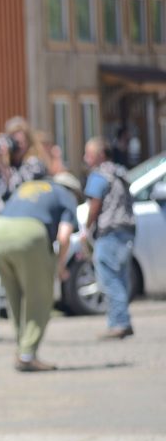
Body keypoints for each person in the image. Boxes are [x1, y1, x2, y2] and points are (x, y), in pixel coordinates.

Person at [0, 173, 81, 372]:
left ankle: (22, 349)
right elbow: (64, 238)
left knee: (15, 297)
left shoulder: (30, 187)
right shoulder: (66, 195)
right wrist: (59, 265)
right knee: (39, 297)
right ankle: (28, 354)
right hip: (29, 235)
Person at [82, 136, 137, 339]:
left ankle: (119, 323)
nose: (85, 158)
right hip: (128, 229)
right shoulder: (120, 172)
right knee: (121, 277)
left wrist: (86, 228)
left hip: (109, 231)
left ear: (99, 155)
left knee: (109, 278)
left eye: (88, 154)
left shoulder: (99, 175)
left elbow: (95, 204)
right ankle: (121, 321)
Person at [0, 116, 49, 213]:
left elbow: (16, 189)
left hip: (25, 218)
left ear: (28, 142)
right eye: (15, 142)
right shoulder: (3, 164)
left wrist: (1, 165)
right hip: (1, 221)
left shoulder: (35, 164)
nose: (18, 146)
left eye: (20, 142)